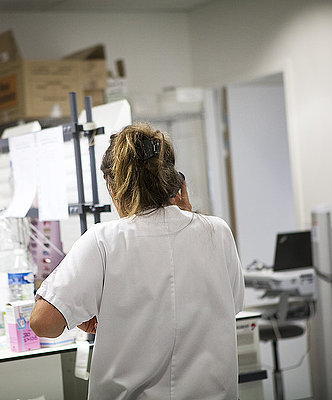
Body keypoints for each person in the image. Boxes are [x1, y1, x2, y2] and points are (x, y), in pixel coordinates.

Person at [30, 122, 244, 399]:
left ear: (114, 187)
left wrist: (76, 307)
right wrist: (193, 220)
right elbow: (232, 305)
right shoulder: (217, 231)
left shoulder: (103, 240)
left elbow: (42, 324)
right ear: (176, 181)